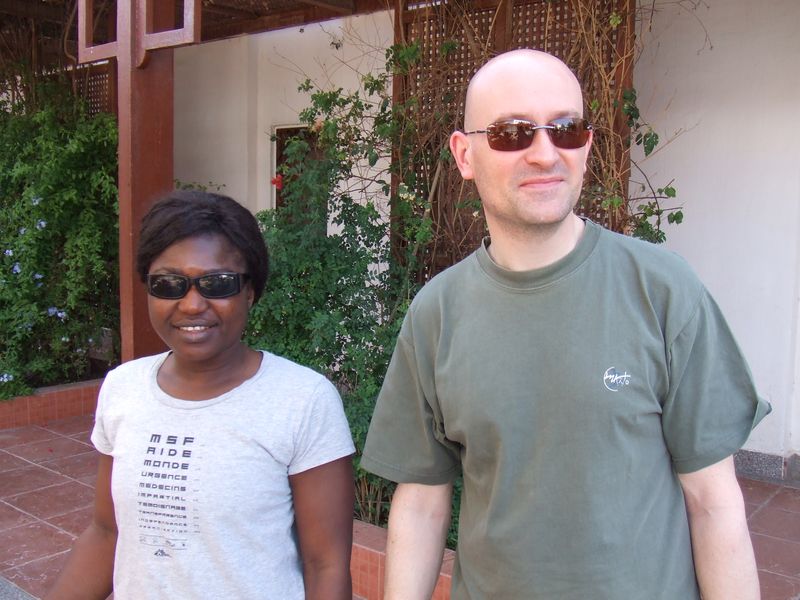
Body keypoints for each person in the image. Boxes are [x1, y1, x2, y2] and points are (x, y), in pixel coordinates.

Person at [361, 49, 770, 600]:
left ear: (587, 145)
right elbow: (421, 504)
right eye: (512, 133)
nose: (544, 153)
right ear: (464, 154)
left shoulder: (662, 290)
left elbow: (713, 503)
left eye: (566, 129)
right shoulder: (436, 313)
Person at [46, 190, 355, 600]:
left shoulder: (302, 400)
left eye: (217, 284)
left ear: (250, 291)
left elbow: (326, 565)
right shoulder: (123, 388)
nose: (192, 305)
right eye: (169, 284)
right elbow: (107, 533)